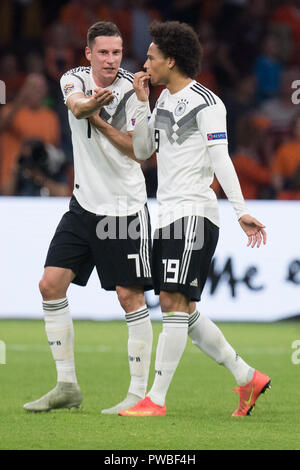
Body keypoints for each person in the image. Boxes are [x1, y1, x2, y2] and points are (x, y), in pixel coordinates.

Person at [119, 21, 270, 418]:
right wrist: (140, 103)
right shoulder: (163, 100)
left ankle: (156, 399)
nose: (145, 63)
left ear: (171, 59)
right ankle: (247, 376)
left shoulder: (208, 103)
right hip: (165, 212)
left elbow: (222, 159)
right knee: (181, 308)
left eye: (151, 57)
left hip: (194, 212)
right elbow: (141, 151)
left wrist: (242, 212)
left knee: (171, 300)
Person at [23, 21, 153, 414]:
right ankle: (66, 386)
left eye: (116, 52)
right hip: (83, 207)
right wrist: (91, 106)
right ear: (88, 54)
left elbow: (140, 152)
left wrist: (98, 115)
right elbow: (76, 105)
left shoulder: (135, 90)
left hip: (123, 209)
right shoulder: (73, 79)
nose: (111, 60)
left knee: (129, 297)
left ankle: (137, 395)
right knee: (50, 285)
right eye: (103, 53)